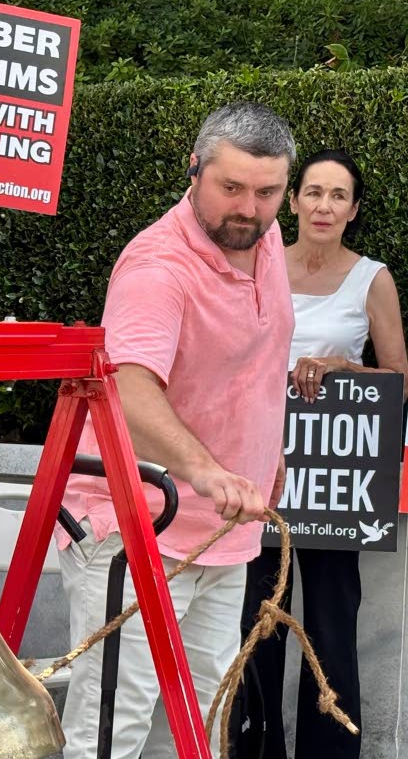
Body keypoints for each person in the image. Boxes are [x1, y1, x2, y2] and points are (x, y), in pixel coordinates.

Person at [54, 102, 296, 758]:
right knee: (113, 734)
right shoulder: (158, 268)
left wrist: (263, 454)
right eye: (231, 188)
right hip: (139, 533)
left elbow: (259, 362)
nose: (248, 208)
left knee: (200, 729)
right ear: (193, 171)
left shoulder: (263, 238)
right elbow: (129, 388)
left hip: (225, 534)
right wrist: (208, 470)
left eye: (267, 192)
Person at [239, 149, 407, 759]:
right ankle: (254, 749)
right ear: (293, 200)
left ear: (354, 209)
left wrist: (342, 368)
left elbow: (397, 379)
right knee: (257, 624)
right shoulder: (256, 265)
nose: (324, 205)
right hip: (257, 475)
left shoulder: (373, 279)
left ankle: (331, 752)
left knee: (333, 624)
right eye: (313, 192)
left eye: (338, 195)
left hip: (336, 481)